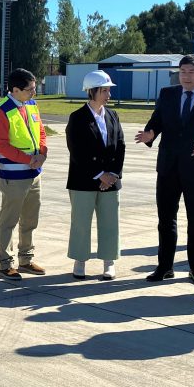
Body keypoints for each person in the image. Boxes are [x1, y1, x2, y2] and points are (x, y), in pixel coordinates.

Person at [135, 54, 194, 286]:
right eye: (182, 72)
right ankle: (164, 267)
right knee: (166, 219)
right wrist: (150, 134)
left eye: (191, 72)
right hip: (168, 166)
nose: (185, 77)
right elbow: (157, 121)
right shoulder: (168, 94)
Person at [66, 70, 125, 281]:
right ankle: (80, 261)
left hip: (110, 181)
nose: (108, 95)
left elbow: (120, 146)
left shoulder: (112, 115)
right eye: (105, 90)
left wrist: (113, 175)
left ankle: (109, 262)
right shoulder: (77, 118)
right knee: (81, 222)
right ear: (92, 91)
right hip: (83, 181)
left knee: (110, 222)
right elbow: (77, 151)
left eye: (109, 90)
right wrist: (99, 174)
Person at [0, 68, 48, 281]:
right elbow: (1, 146)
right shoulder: (1, 112)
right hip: (14, 177)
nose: (34, 93)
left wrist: (43, 153)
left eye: (35, 88)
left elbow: (41, 132)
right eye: (30, 89)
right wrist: (28, 159)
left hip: (34, 173)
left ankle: (26, 259)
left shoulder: (32, 105)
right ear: (15, 90)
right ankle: (5, 263)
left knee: (30, 219)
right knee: (9, 220)